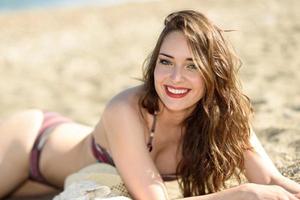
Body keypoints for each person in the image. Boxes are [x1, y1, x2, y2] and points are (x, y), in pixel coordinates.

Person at [0, 10, 300, 200]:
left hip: (52, 186)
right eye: (166, 62)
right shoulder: (125, 109)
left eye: (192, 66)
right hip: (31, 146)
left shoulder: (227, 115)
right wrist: (243, 194)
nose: (175, 77)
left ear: (214, 73)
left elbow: (271, 179)